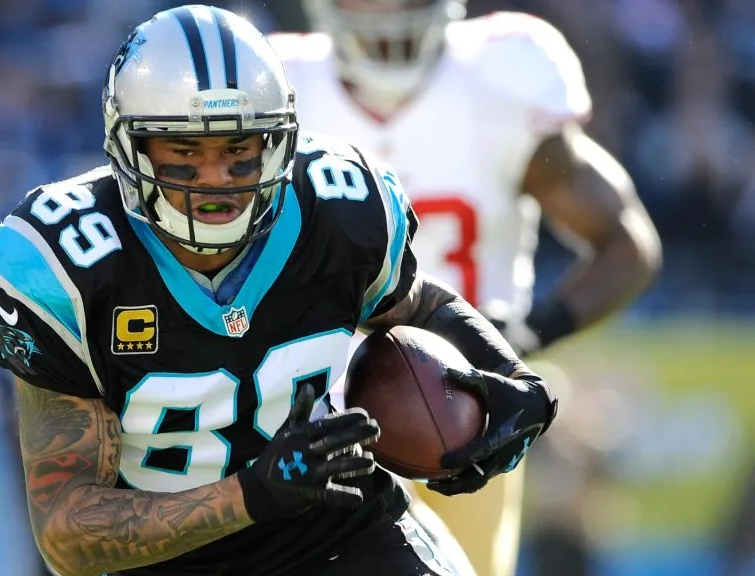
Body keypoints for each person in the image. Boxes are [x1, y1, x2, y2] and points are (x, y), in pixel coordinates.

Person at [0, 5, 558, 575]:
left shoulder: (337, 209)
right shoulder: (67, 263)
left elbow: (414, 302)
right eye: (185, 154)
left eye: (239, 151)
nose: (215, 181)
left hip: (341, 530)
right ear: (131, 149)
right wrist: (253, 493)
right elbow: (65, 530)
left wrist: (510, 379)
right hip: (163, 563)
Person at [270, 1, 662, 575]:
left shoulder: (500, 74)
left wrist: (519, 339)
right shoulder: (281, 82)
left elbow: (626, 246)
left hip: (463, 408)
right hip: (311, 409)